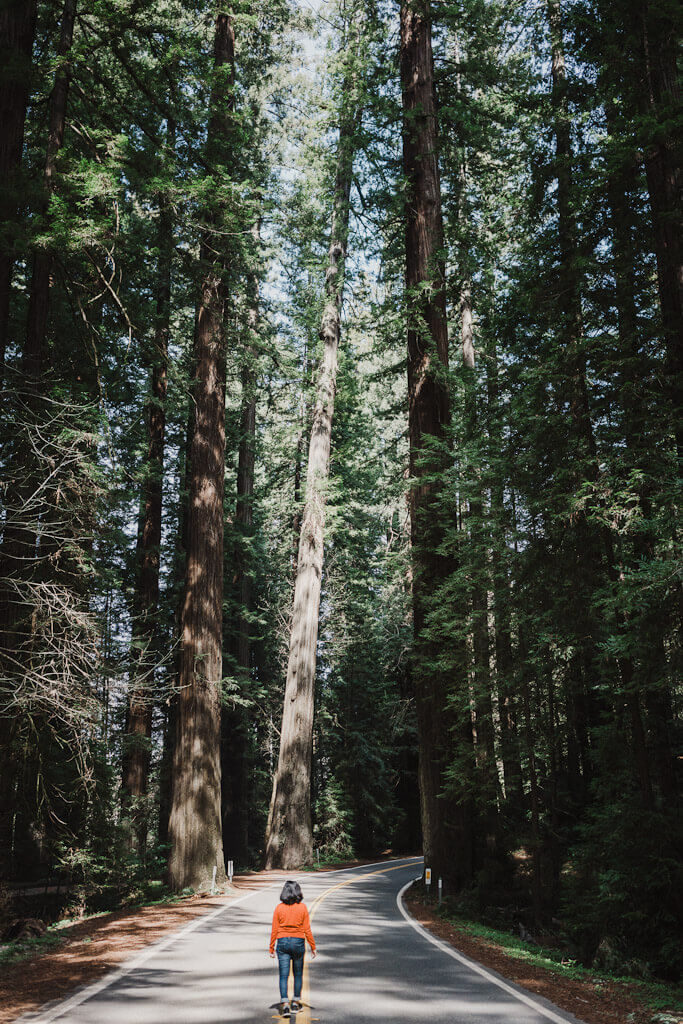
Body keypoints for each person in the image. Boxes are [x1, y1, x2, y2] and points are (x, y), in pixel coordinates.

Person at [269, 880, 316, 1017]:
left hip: (282, 942)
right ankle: (295, 1002)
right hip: (298, 943)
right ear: (298, 892)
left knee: (284, 975)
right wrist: (313, 946)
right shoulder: (302, 908)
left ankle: (284, 1005)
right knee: (298, 974)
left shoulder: (279, 908)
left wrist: (271, 947)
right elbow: (307, 929)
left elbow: (274, 930)